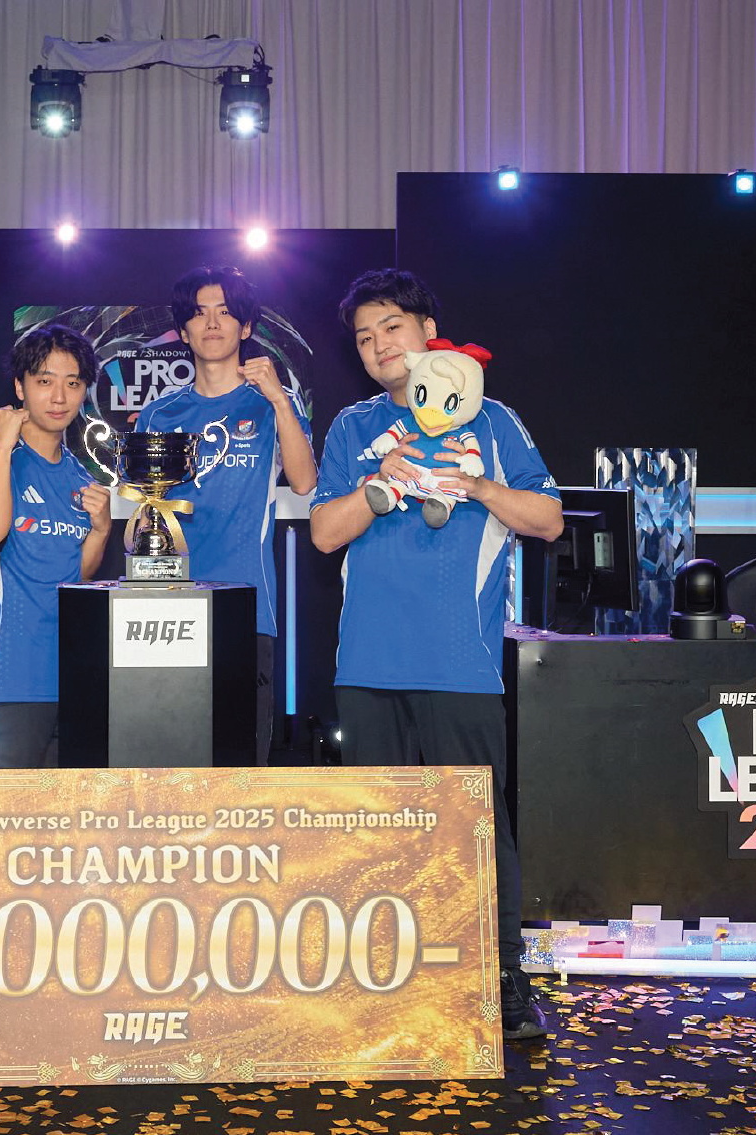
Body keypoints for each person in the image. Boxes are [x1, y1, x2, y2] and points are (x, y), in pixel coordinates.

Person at [309, 269, 563, 1040]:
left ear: (427, 330)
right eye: (363, 337)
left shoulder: (492, 417)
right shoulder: (353, 427)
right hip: (367, 665)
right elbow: (323, 533)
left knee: (477, 827)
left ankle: (503, 975)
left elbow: (548, 518)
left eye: (391, 327)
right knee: (377, 832)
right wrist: (374, 483)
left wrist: (479, 486)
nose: (377, 345)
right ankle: (380, 978)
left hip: (460, 663)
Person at [134, 266, 316, 764]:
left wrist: (278, 398)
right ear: (183, 331)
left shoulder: (272, 404)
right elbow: (146, 513)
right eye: (199, 314)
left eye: (225, 312)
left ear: (246, 326)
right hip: (169, 608)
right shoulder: (159, 415)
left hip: (247, 605)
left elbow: (304, 481)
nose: (212, 324)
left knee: (241, 763)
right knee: (168, 756)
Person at [0, 325, 113, 767]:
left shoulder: (81, 477)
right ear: (20, 387)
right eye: (45, 381)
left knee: (64, 812)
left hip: (68, 681)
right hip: (2, 681)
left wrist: (101, 531)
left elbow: (76, 579)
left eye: (73, 383)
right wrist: (5, 443)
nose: (59, 397)